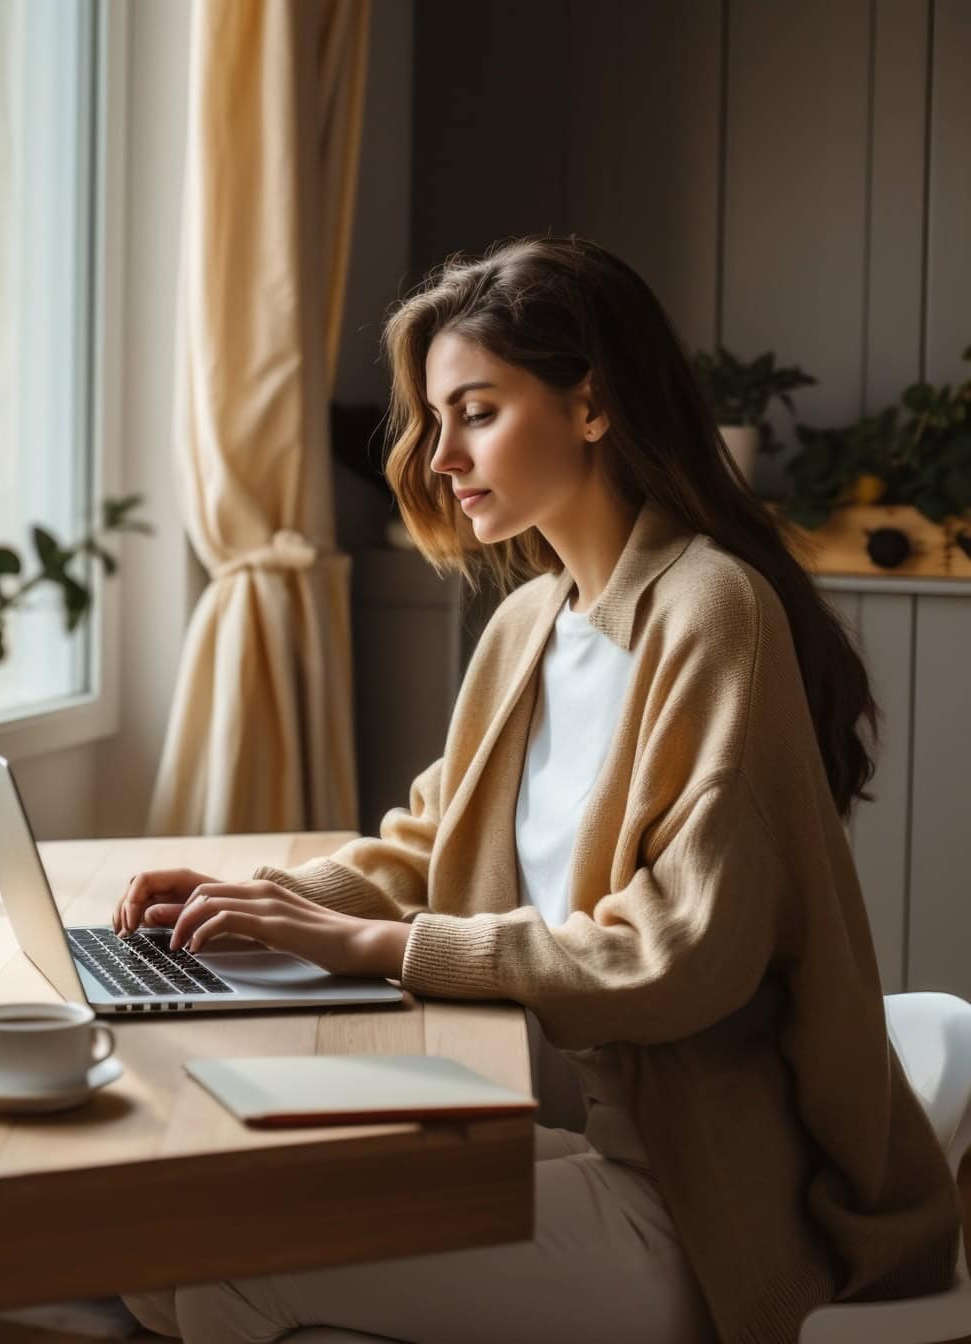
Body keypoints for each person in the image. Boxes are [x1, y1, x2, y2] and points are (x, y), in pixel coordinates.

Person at [113, 235, 962, 1344]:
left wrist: (380, 947)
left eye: (476, 411)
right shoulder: (529, 621)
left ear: (593, 404)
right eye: (434, 420)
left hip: (692, 1199)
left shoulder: (713, 613)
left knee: (229, 1279)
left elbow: (680, 956)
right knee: (146, 1259)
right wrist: (252, 901)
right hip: (546, 1126)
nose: (439, 456)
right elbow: (428, 842)